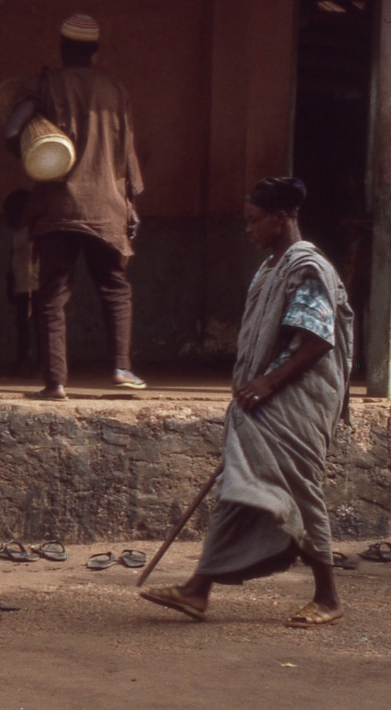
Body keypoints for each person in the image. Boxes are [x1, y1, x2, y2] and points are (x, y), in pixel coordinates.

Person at [139, 177, 353, 628]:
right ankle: (198, 591)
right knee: (239, 488)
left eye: (254, 221)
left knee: (298, 492)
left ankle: (328, 597)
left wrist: (269, 383)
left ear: (280, 220)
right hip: (264, 397)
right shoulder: (269, 269)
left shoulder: (307, 268)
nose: (248, 229)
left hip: (295, 399)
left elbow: (317, 340)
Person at [3, 14, 145, 400]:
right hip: (107, 205)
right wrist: (131, 205)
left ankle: (56, 383)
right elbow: (127, 152)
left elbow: (12, 131)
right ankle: (120, 366)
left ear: (63, 48)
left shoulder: (45, 84)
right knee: (115, 288)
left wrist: (34, 158)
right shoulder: (116, 91)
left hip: (57, 206)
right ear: (95, 51)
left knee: (52, 296)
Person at [4, 189, 38, 377]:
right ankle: (23, 361)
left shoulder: (36, 231)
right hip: (21, 286)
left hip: (36, 286)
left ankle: (40, 363)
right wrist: (10, 280)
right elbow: (13, 259)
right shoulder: (16, 234)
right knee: (22, 326)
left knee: (38, 326)